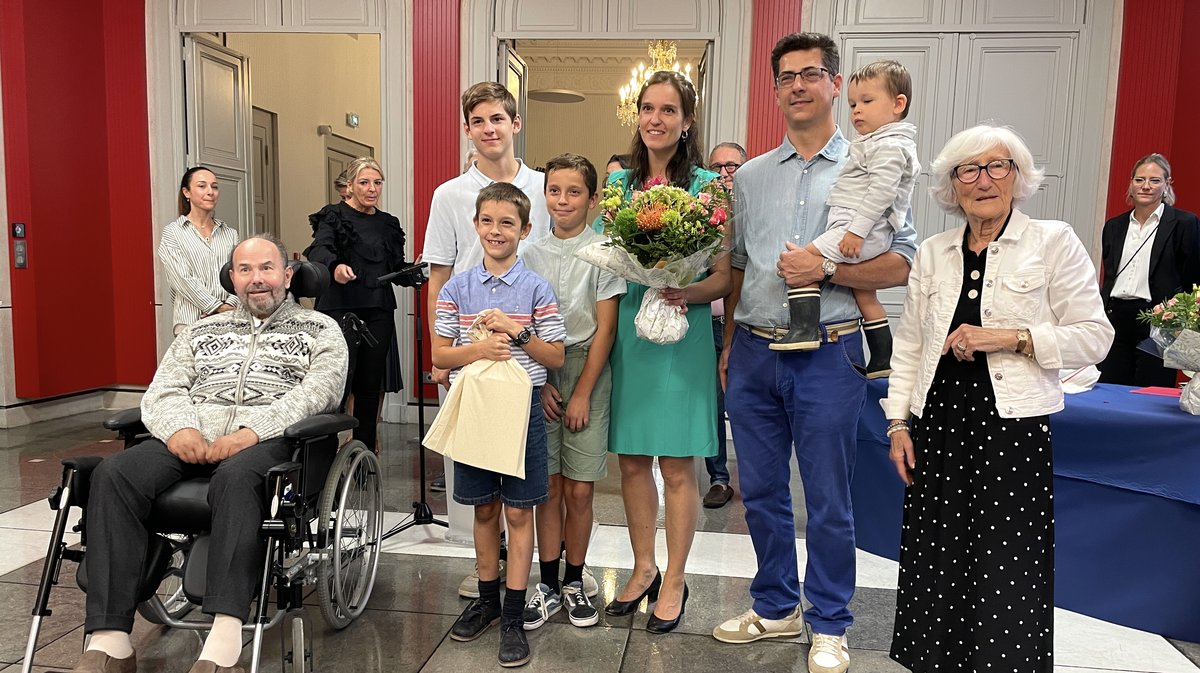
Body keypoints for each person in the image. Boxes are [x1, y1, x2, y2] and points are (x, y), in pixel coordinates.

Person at [712, 33, 916, 673]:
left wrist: (825, 271)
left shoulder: (872, 163)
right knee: (764, 492)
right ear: (775, 91)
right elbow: (739, 268)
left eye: (810, 74)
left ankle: (830, 620)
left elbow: (901, 263)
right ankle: (776, 607)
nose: (797, 86)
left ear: (834, 84)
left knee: (828, 498)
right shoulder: (747, 176)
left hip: (828, 354)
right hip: (754, 352)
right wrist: (726, 348)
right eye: (786, 78)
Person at [883, 124, 1113, 672]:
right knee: (936, 561)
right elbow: (911, 345)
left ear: (1018, 176)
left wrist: (1012, 337)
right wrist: (897, 424)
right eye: (969, 169)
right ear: (952, 184)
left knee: (1007, 563)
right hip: (938, 424)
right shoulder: (935, 253)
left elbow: (1095, 335)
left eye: (997, 166)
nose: (984, 180)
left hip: (1012, 430)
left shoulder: (1052, 241)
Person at [69, 235, 348, 673]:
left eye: (267, 269)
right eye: (245, 270)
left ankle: (223, 641)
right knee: (114, 475)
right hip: (190, 435)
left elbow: (320, 392)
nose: (257, 280)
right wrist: (179, 428)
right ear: (232, 278)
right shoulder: (202, 330)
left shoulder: (321, 330)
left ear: (288, 275)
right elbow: (164, 389)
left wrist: (250, 432)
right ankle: (111, 642)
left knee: (236, 479)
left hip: (272, 440)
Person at [602, 70, 731, 635]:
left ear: (687, 121)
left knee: (677, 465)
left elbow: (724, 277)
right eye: (647, 108)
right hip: (632, 329)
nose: (655, 119)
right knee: (631, 460)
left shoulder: (709, 187)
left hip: (684, 332)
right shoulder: (620, 187)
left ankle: (675, 578)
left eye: (668, 110)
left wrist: (684, 288)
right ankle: (642, 567)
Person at [423, 81, 552, 598]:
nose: (489, 129)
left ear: (515, 123)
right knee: (478, 483)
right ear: (468, 130)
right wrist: (442, 356)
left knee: (528, 479)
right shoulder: (450, 195)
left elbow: (552, 270)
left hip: (528, 348)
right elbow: (439, 276)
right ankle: (487, 576)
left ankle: (537, 577)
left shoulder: (542, 188)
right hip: (470, 353)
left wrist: (546, 362)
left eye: (498, 118)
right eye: (478, 121)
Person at [432, 182, 565, 667]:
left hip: (522, 406)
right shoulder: (456, 288)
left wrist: (516, 330)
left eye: (507, 223)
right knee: (484, 511)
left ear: (525, 230)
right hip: (477, 407)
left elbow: (554, 355)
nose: (495, 231)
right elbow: (441, 354)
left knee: (518, 512)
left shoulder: (535, 288)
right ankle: (486, 601)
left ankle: (512, 611)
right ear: (475, 225)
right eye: (487, 221)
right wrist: (480, 350)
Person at [520, 154, 625, 630]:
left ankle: (574, 579)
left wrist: (582, 392)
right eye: (554, 191)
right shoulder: (529, 254)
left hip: (586, 368)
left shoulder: (604, 251)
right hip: (538, 370)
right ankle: (545, 582)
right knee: (549, 485)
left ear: (592, 198)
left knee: (580, 488)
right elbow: (523, 325)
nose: (562, 200)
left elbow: (605, 331)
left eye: (574, 192)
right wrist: (540, 384)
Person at [773, 60, 920, 383]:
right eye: (854, 104)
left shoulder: (889, 145)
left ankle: (803, 328)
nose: (857, 111)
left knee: (801, 261)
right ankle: (882, 356)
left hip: (858, 231)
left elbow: (882, 193)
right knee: (864, 294)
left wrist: (854, 232)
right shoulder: (877, 143)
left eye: (867, 102)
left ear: (898, 105)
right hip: (860, 231)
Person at [304, 157, 413, 454]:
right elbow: (319, 250)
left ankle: (362, 452)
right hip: (340, 307)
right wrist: (336, 268)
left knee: (369, 384)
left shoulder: (388, 223)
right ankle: (322, 452)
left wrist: (410, 274)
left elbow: (393, 266)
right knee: (336, 382)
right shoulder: (333, 216)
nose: (372, 189)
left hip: (378, 309)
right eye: (364, 182)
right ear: (348, 186)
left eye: (377, 183)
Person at [1098, 153, 1200, 387]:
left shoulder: (1184, 223)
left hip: (1159, 319)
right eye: (1139, 179)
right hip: (1115, 317)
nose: (1146, 186)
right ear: (1131, 184)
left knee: (1151, 391)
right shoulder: (1114, 226)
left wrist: (1178, 315)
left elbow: (1194, 279)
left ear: (1166, 185)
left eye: (1155, 180)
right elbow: (1110, 275)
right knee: (1110, 389)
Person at [701, 142, 747, 509]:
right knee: (713, 403)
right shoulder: (699, 214)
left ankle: (754, 475)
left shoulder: (752, 209)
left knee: (745, 402)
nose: (724, 173)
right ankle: (719, 477)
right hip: (707, 321)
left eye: (732, 166)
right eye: (716, 167)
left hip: (748, 325)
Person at [159, 166, 240, 336]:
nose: (210, 191)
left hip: (229, 320)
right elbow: (182, 279)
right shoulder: (173, 233)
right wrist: (216, 307)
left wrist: (230, 306)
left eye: (215, 186)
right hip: (191, 322)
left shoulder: (230, 234)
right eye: (202, 186)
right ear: (186, 192)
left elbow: (239, 275)